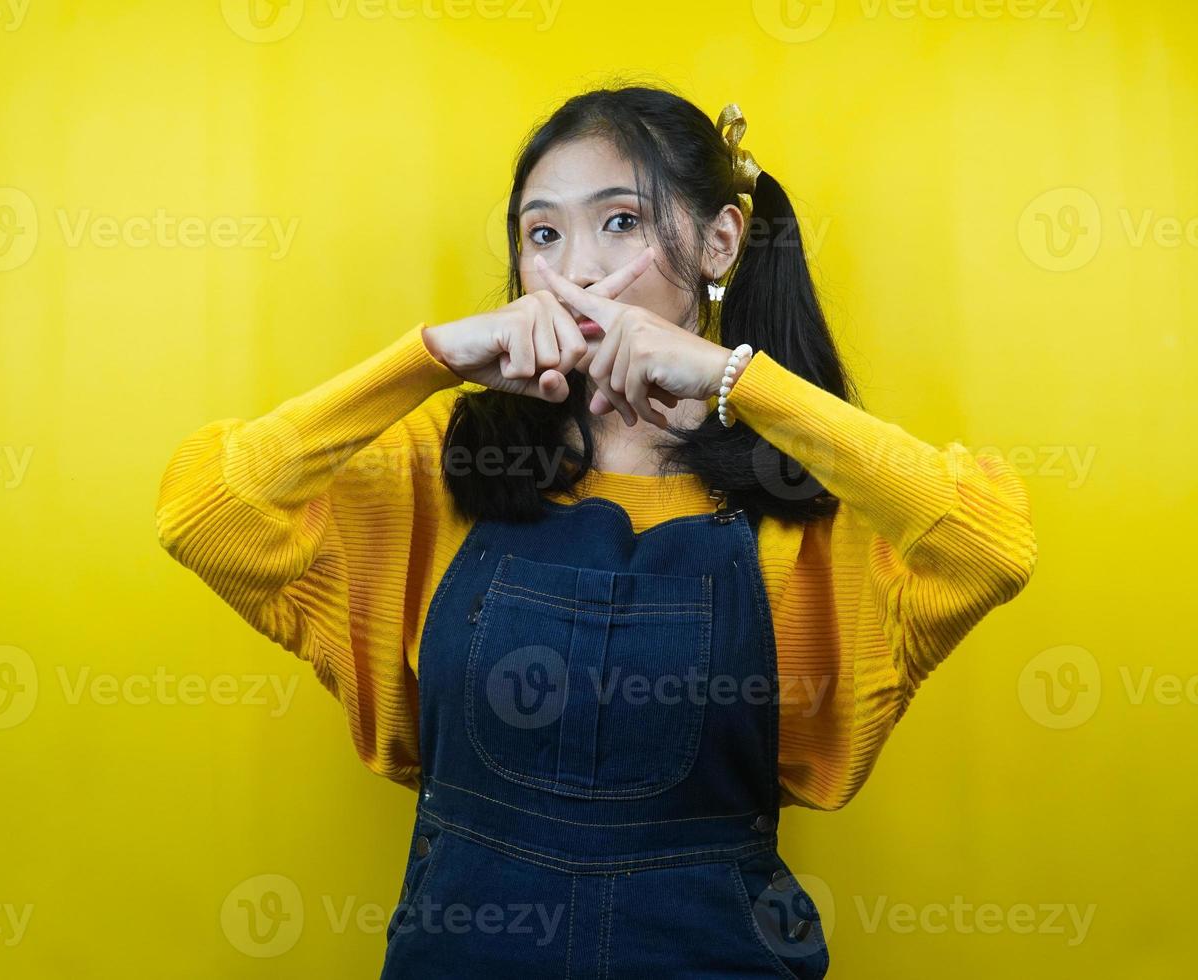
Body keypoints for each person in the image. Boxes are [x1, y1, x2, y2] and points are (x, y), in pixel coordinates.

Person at [155, 86, 1037, 978]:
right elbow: (206, 509)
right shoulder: (448, 460)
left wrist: (739, 382)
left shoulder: (807, 485)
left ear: (721, 241)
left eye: (621, 223)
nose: (575, 269)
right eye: (543, 235)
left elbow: (990, 543)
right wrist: (429, 359)